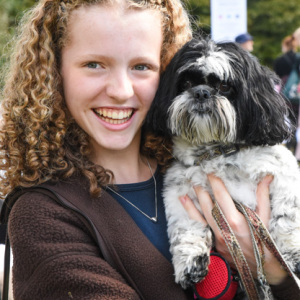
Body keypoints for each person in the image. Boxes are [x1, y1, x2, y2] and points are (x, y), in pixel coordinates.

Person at [0, 0, 298, 299]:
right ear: (54, 73)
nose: (121, 91)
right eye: (94, 65)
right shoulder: (43, 216)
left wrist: (276, 274)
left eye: (141, 67)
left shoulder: (201, 170)